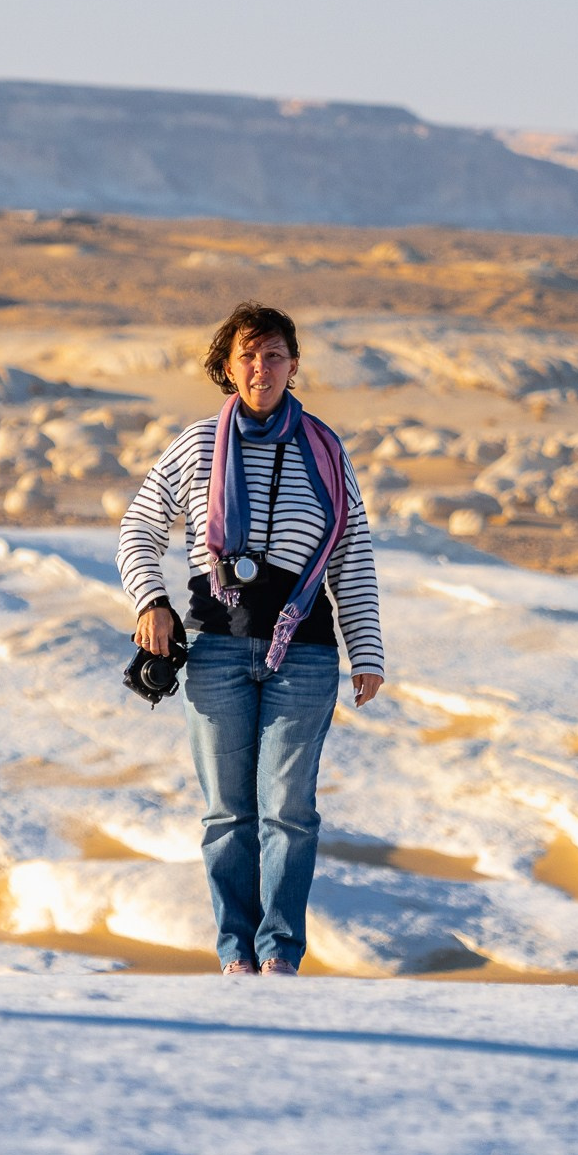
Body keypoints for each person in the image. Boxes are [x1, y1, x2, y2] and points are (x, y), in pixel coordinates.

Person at [116, 302, 383, 975]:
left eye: (273, 355)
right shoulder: (196, 444)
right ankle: (236, 954)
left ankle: (279, 956)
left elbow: (352, 554)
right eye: (248, 355)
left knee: (289, 809)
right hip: (217, 649)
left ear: (293, 365)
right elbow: (139, 527)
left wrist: (366, 651)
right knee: (227, 813)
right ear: (227, 367)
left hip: (306, 651)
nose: (261, 367)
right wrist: (151, 601)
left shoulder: (326, 450)